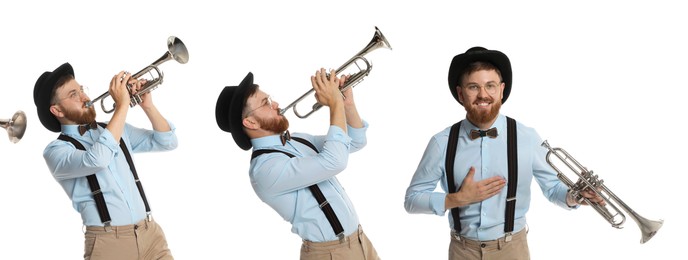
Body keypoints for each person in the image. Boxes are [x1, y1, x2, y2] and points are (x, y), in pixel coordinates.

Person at [403, 46, 606, 259]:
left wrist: (575, 197)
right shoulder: (442, 142)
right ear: (461, 94)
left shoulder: (526, 137)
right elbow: (412, 200)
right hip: (462, 251)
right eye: (473, 87)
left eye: (490, 86)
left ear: (501, 90)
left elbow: (553, 188)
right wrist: (457, 199)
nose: (483, 95)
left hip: (513, 249)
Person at [215, 70, 379, 259]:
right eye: (266, 103)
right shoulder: (265, 169)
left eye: (270, 98)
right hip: (331, 253)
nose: (276, 104)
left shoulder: (298, 140)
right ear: (251, 122)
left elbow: (355, 141)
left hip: (360, 241)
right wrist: (334, 104)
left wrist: (345, 105)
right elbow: (336, 161)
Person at [33, 62, 178, 259]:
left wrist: (148, 106)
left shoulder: (113, 129)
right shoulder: (56, 151)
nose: (84, 97)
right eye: (73, 94)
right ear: (57, 110)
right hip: (109, 243)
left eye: (81, 89)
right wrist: (122, 105)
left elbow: (167, 141)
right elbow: (97, 159)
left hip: (150, 234)